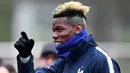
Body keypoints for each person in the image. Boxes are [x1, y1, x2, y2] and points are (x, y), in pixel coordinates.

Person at [14, 1, 121, 73]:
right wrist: (25, 57)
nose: (54, 35)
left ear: (78, 29)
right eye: (54, 30)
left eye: (60, 29)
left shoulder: (100, 60)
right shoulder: (62, 63)